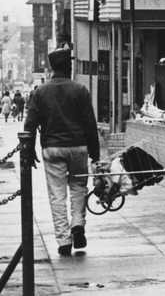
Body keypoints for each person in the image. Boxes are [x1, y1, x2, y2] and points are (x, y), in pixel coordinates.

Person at [24, 48, 100, 255]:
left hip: (52, 148)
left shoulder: (40, 92)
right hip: (78, 147)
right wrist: (95, 154)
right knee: (78, 187)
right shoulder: (80, 90)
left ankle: (64, 240)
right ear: (69, 66)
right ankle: (78, 224)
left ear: (51, 67)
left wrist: (28, 151)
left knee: (57, 195)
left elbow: (30, 125)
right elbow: (90, 125)